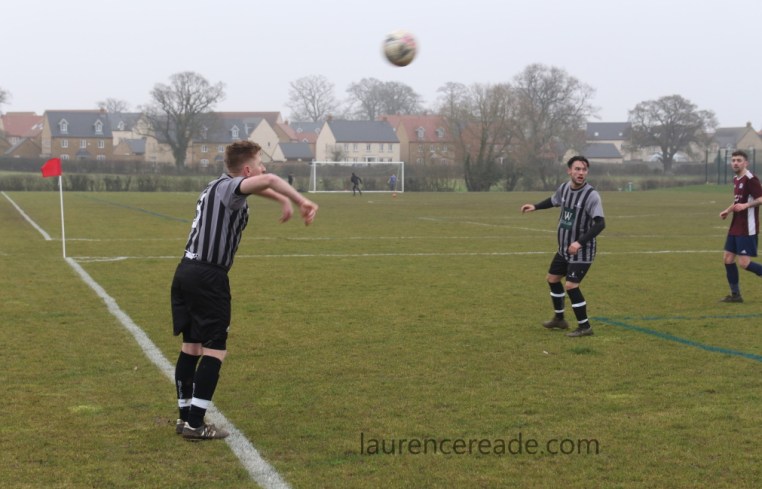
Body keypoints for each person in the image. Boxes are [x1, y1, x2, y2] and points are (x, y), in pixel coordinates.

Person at [171, 140, 318, 440]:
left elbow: (259, 186)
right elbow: (269, 180)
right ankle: (196, 425)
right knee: (215, 349)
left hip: (186, 271)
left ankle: (184, 417)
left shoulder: (216, 186)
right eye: (260, 164)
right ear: (248, 170)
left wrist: (281, 200)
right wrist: (301, 200)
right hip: (208, 277)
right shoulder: (231, 189)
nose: (264, 168)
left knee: (192, 347)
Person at [520, 155, 606, 337]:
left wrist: (579, 242)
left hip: (582, 251)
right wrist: (535, 206)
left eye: (584, 170)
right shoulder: (565, 188)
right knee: (552, 279)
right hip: (564, 249)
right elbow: (554, 200)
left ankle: (585, 327)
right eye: (577, 169)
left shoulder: (591, 195)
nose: (581, 173)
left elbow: (600, 224)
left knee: (571, 286)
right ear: (569, 171)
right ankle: (559, 319)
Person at [719, 150, 762, 303]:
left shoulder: (751, 179)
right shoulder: (736, 179)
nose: (735, 163)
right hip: (736, 225)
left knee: (744, 263)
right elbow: (737, 201)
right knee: (728, 259)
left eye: (739, 160)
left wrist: (746, 205)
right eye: (733, 160)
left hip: (747, 227)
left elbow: (760, 198)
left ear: (746, 163)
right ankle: (735, 295)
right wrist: (728, 210)